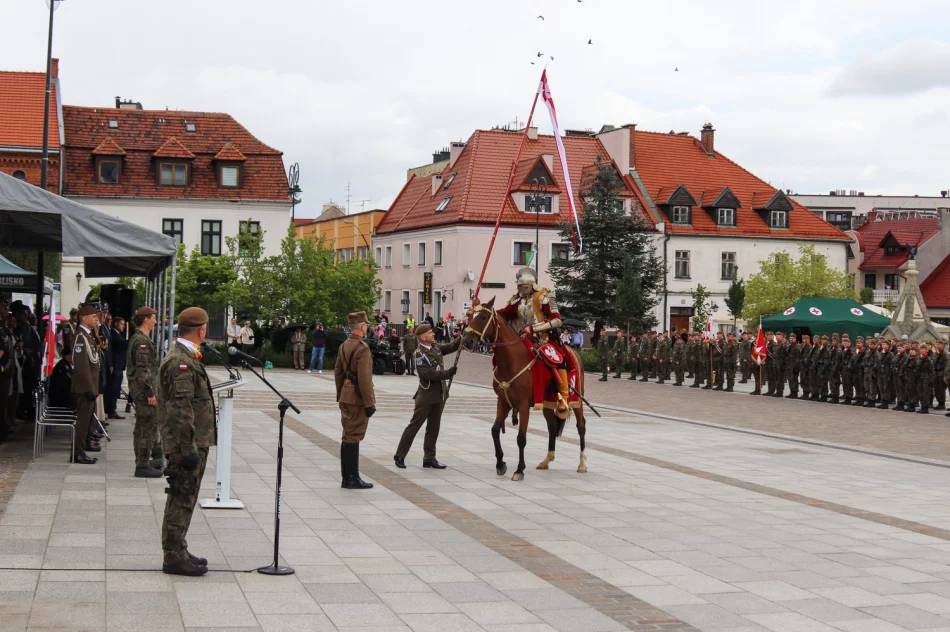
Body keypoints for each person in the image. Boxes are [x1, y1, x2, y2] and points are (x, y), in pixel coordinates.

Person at [158, 307, 216, 576]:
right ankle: (173, 555)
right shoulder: (180, 362)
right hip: (186, 445)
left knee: (185, 497)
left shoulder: (185, 357)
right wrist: (188, 449)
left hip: (191, 442)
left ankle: (178, 547)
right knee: (181, 497)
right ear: (202, 330)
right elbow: (181, 410)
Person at [393, 322, 460, 469]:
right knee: (414, 426)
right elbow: (428, 373)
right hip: (426, 397)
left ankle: (429, 457)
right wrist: (448, 373)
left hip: (438, 395)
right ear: (423, 337)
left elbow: (451, 347)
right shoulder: (419, 354)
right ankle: (400, 455)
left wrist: (463, 336)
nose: (433, 334)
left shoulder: (435, 347)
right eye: (430, 333)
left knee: (434, 428)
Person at [335, 311, 377, 489]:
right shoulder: (362, 348)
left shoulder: (344, 345)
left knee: (347, 434)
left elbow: (338, 372)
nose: (367, 327)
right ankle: (352, 477)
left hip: (346, 395)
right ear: (361, 327)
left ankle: (347, 477)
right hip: (357, 398)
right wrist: (369, 403)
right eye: (366, 325)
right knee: (353, 436)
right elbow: (365, 379)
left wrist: (341, 394)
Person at [127, 307, 163, 479]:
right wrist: (150, 393)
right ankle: (142, 465)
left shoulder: (140, 338)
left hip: (142, 390)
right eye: (153, 318)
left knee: (143, 426)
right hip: (144, 391)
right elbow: (143, 369)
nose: (156, 321)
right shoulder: (141, 341)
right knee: (146, 428)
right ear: (146, 319)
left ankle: (143, 462)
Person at [71, 305, 101, 465]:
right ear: (84, 318)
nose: (96, 319)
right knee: (82, 422)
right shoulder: (80, 337)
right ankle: (77, 453)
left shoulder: (88, 336)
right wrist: (89, 388)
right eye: (93, 316)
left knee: (87, 421)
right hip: (84, 388)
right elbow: (82, 366)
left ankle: (81, 450)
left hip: (90, 386)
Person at [105, 317, 128, 420]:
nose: (123, 326)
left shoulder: (118, 335)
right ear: (116, 324)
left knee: (116, 388)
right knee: (113, 388)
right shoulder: (113, 334)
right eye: (121, 324)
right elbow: (120, 345)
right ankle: (111, 410)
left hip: (119, 365)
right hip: (115, 365)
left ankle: (112, 409)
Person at [785, 333, 801, 399]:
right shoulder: (789, 346)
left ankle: (795, 393)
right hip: (789, 366)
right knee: (790, 380)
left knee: (794, 380)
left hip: (794, 367)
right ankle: (791, 392)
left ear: (795, 339)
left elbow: (798, 358)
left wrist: (796, 367)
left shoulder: (797, 347)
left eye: (793, 338)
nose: (791, 339)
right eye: (790, 338)